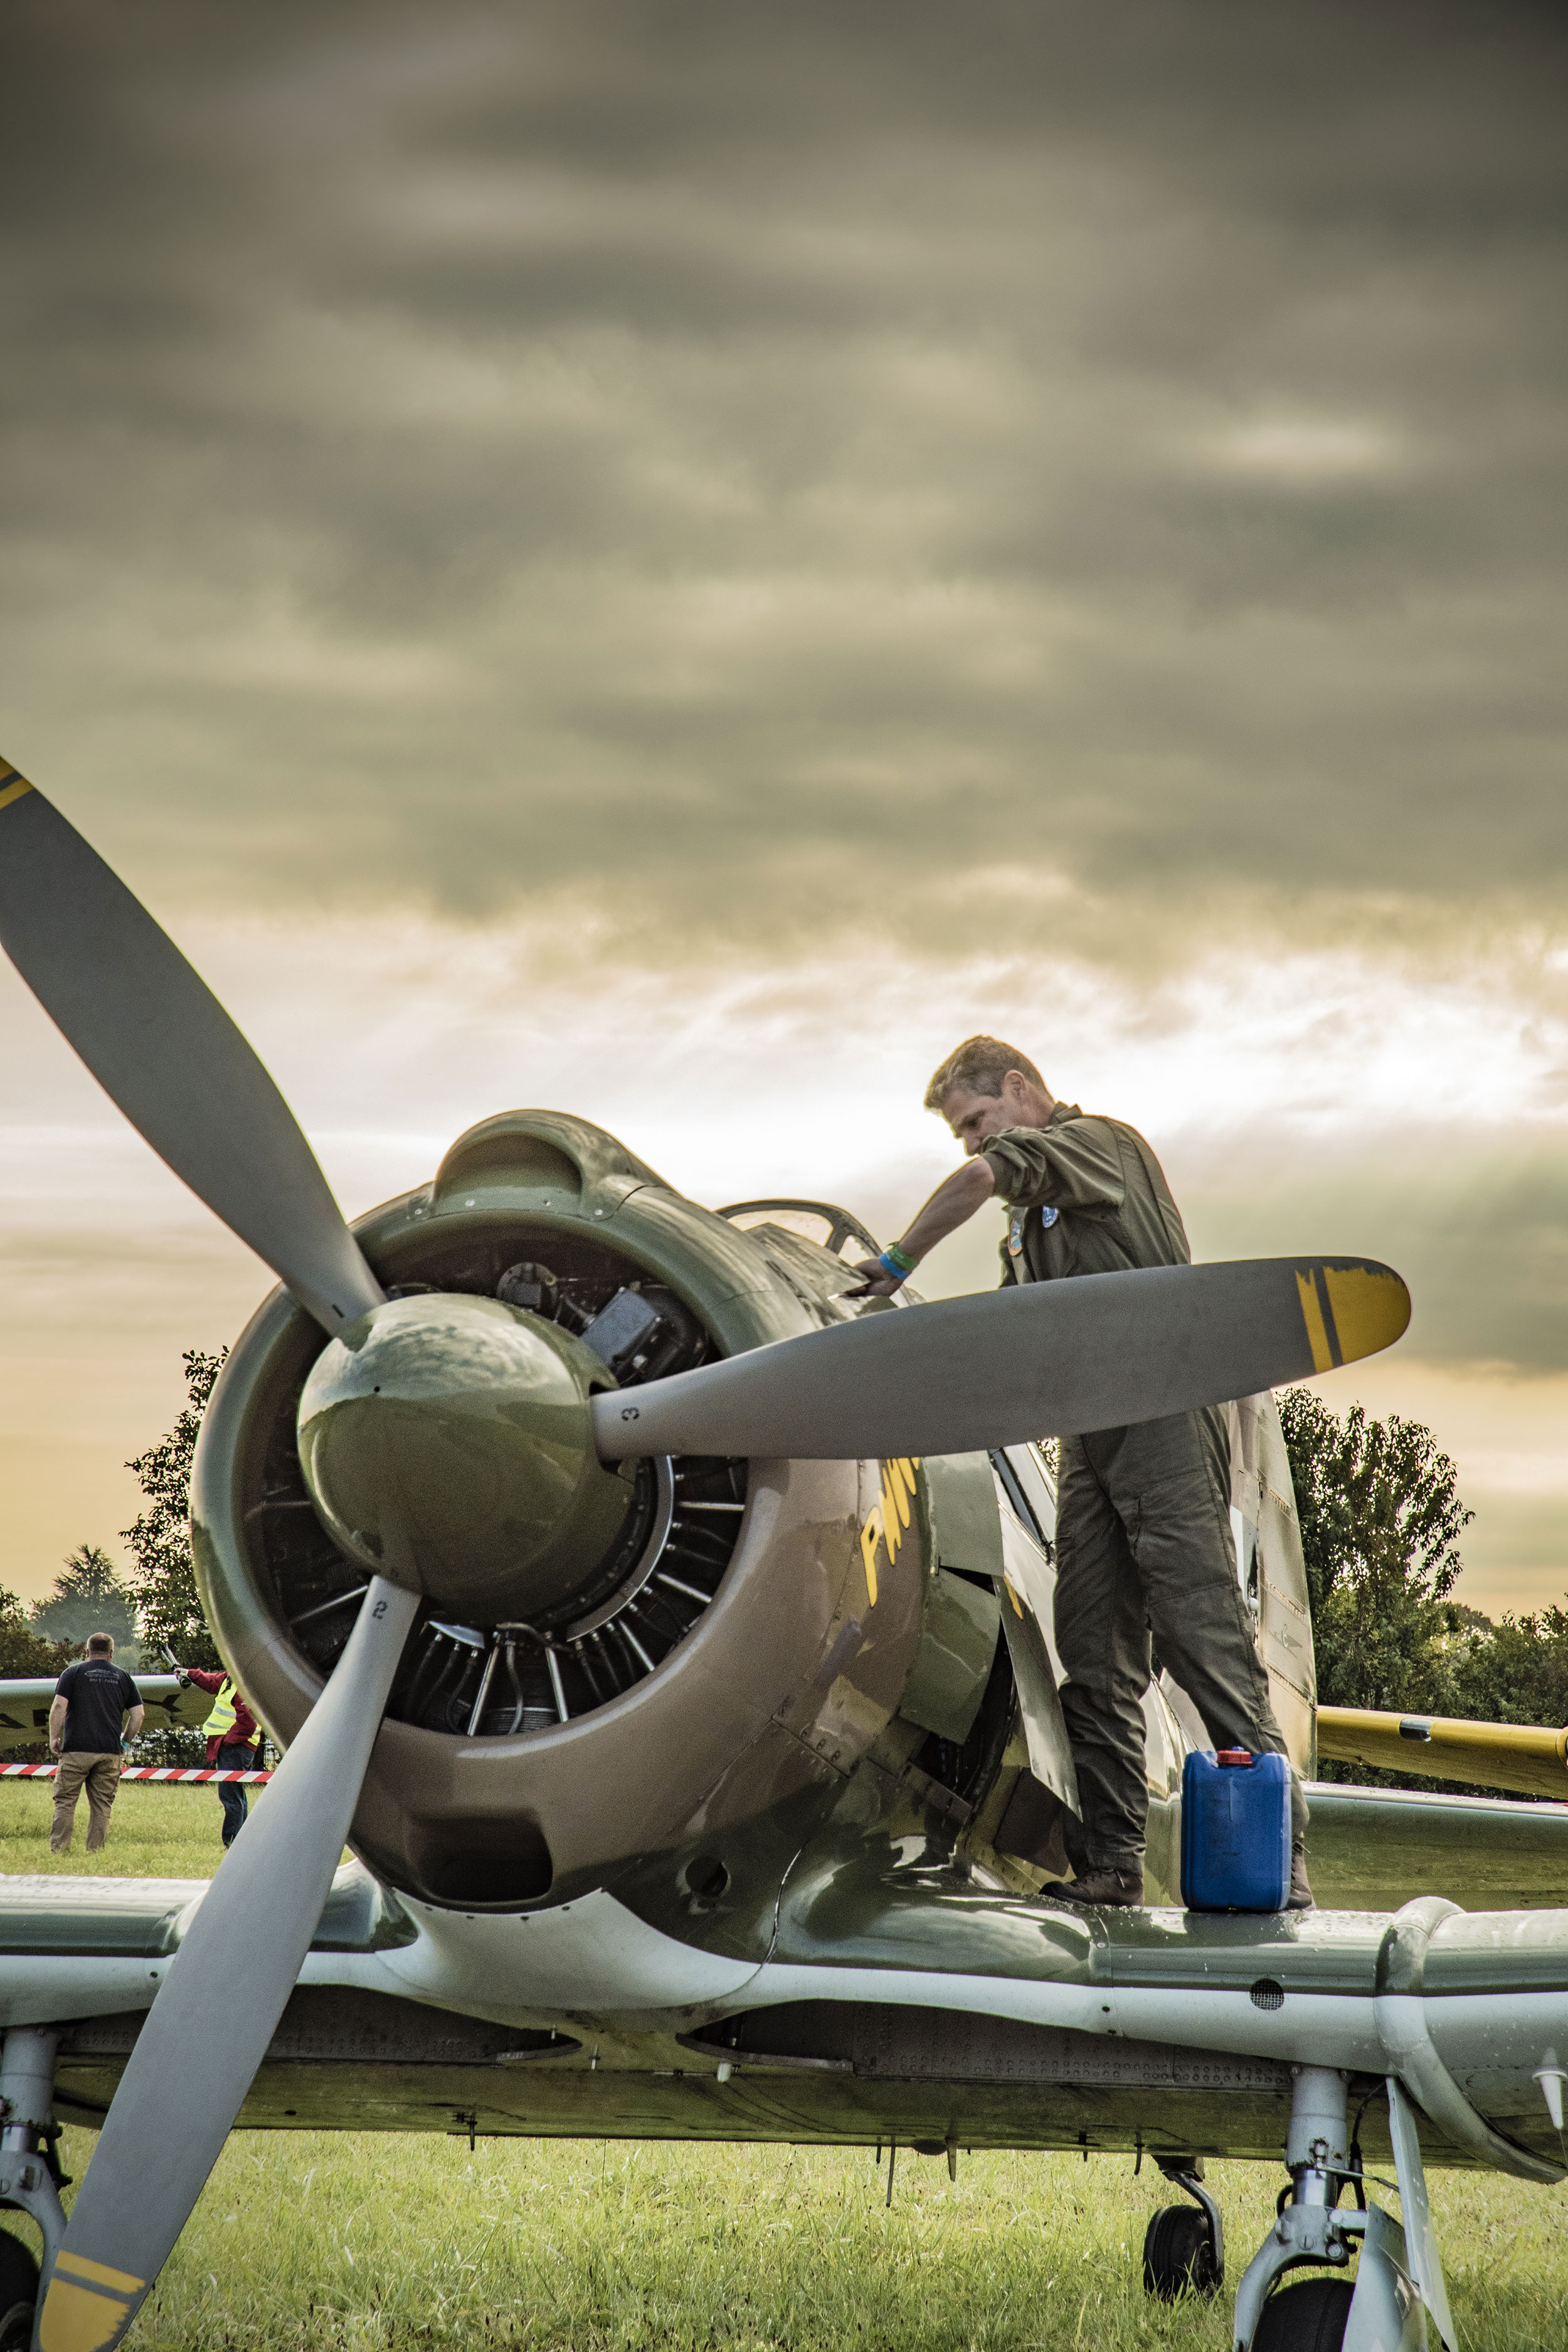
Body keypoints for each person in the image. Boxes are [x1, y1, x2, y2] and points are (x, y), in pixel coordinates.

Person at [849, 1034, 1312, 1912]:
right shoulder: (1032, 1226)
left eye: (978, 1121)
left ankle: (1281, 1864)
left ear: (1021, 1090)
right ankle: (1111, 1864)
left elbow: (988, 1178)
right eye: (961, 1133)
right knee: (1092, 1650)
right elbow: (1017, 1334)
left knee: (1200, 1638)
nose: (973, 1145)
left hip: (1164, 1419)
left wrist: (900, 1259)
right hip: (1090, 1443)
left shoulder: (1102, 1147)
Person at [48, 1633, 145, 1855]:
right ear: (111, 1653)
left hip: (76, 1750)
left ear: (87, 1651)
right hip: (109, 1752)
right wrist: (125, 1743)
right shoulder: (123, 1677)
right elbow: (138, 1714)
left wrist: (54, 1737)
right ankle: (94, 1854)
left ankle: (59, 1852)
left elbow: (59, 1707)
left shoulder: (73, 1673)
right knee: (102, 1805)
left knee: (65, 1802)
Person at [175, 1664, 261, 1846]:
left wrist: (227, 1741)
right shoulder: (231, 1678)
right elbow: (211, 1681)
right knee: (236, 1795)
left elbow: (248, 1723)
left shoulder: (240, 1684)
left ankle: (231, 1842)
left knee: (231, 1797)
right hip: (236, 1746)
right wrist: (189, 1673)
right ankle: (239, 1840)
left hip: (236, 1747)